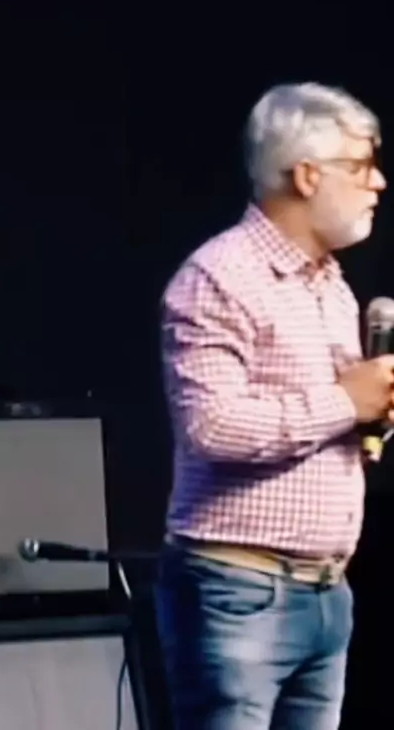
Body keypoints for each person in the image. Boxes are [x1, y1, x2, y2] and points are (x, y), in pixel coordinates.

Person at [155, 82, 393, 730]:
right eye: (361, 165)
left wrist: (371, 412)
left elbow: (324, 419)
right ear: (307, 175)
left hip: (327, 591)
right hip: (239, 593)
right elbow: (212, 427)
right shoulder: (218, 278)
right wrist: (345, 399)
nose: (378, 182)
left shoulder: (332, 286)